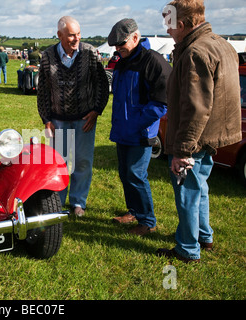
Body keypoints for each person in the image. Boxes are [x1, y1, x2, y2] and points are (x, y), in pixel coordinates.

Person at [157, 0, 242, 262]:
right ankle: (204, 236)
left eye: (170, 27)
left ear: (181, 25)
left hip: (196, 139)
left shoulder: (195, 52)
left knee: (187, 193)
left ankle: (187, 248)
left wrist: (182, 151)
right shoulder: (222, 44)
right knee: (199, 187)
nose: (168, 32)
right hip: (212, 135)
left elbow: (196, 108)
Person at [37, 16, 109, 217]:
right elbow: (42, 90)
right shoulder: (47, 56)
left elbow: (102, 84)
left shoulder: (89, 53)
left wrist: (96, 111)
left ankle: (78, 202)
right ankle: (57, 203)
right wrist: (46, 119)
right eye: (71, 35)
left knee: (82, 162)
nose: (76, 38)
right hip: (57, 120)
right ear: (59, 35)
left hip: (84, 119)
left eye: (78, 34)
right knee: (59, 163)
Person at [108, 19, 172, 236]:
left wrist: (135, 125)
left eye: (121, 44)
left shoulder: (153, 62)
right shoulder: (123, 60)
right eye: (115, 45)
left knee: (136, 175)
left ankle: (148, 221)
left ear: (135, 37)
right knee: (125, 175)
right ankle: (133, 212)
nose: (118, 49)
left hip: (141, 133)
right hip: (123, 131)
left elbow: (161, 103)